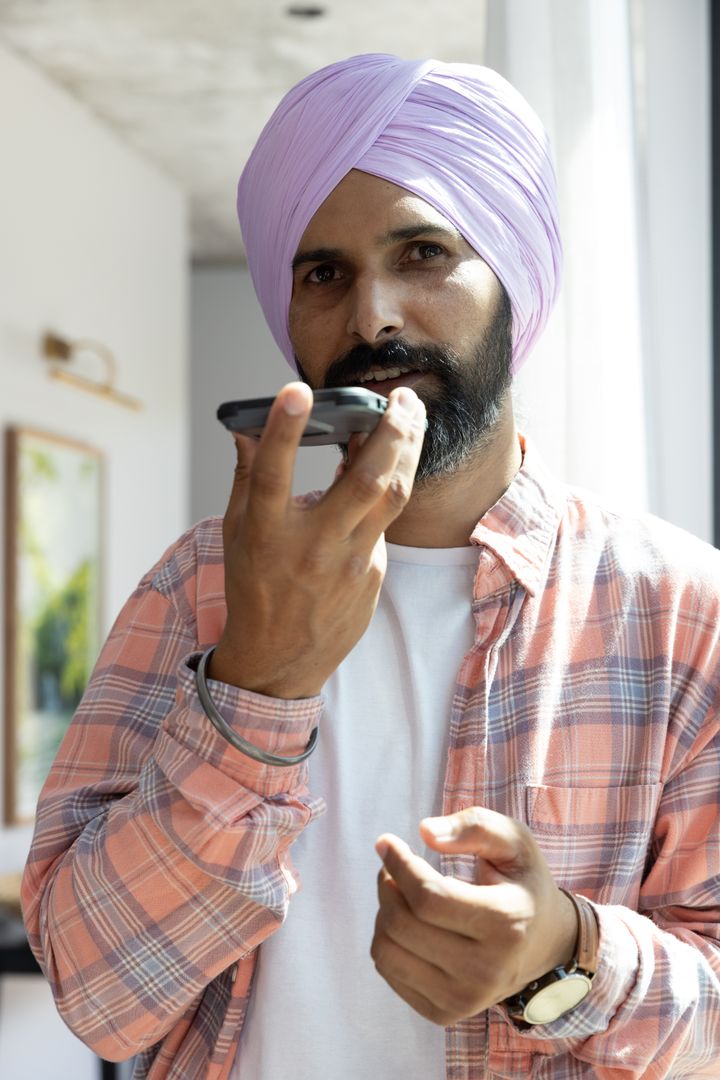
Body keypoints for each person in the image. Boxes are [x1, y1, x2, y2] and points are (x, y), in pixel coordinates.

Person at [22, 53, 720, 1080]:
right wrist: (257, 682)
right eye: (324, 274)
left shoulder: (677, 607)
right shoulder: (199, 585)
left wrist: (565, 958)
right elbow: (93, 995)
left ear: (513, 288)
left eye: (425, 252)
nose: (372, 317)